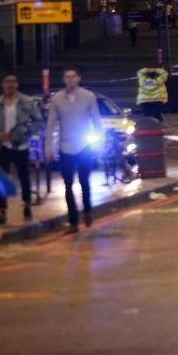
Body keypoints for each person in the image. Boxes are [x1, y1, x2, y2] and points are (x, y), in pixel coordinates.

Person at [46, 66, 102, 233]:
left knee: (84, 181)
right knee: (67, 184)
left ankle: (88, 211)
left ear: (79, 78)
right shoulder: (57, 99)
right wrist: (48, 148)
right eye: (67, 77)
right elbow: (50, 125)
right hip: (65, 146)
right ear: (64, 80)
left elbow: (97, 121)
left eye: (73, 76)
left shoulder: (88, 97)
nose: (70, 80)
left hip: (84, 146)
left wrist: (99, 144)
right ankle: (73, 221)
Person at [0, 73, 41, 224]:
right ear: (2, 84)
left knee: (24, 178)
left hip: (21, 146)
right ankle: (2, 210)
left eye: (13, 81)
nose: (10, 84)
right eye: (7, 81)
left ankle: (27, 205)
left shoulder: (27, 101)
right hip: (3, 147)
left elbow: (38, 120)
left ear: (17, 84)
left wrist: (26, 133)